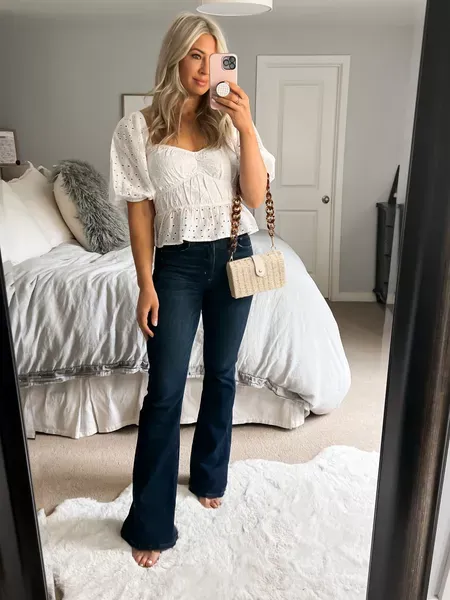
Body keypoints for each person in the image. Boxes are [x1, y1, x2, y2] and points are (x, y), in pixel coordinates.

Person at [109, 11, 275, 569]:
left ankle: (209, 474)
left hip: (234, 253)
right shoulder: (137, 128)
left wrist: (247, 127)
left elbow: (255, 196)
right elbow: (140, 210)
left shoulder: (229, 121)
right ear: (175, 58)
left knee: (223, 373)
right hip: (176, 265)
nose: (206, 68)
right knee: (165, 390)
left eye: (215, 56)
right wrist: (145, 282)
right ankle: (150, 521)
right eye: (195, 56)